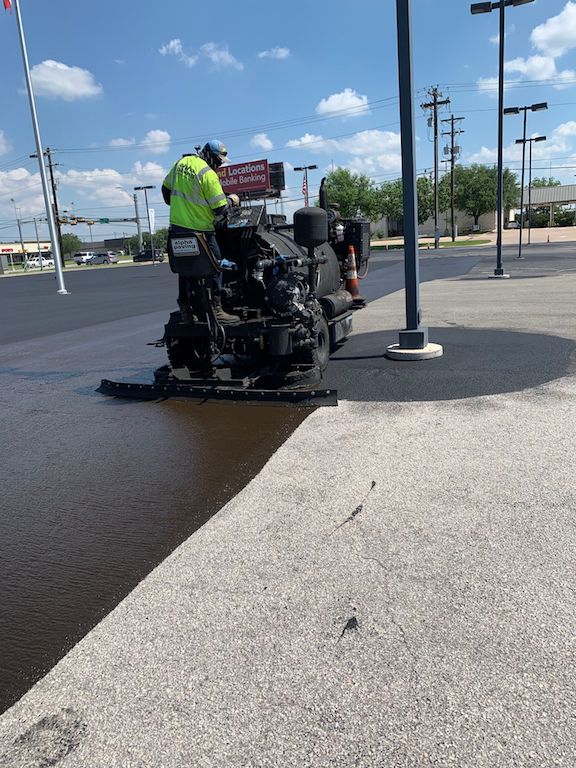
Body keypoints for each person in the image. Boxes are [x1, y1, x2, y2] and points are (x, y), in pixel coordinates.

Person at [162, 140, 240, 324]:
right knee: (217, 265)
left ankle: (187, 311)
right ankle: (217, 309)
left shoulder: (179, 164)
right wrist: (232, 200)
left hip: (177, 232)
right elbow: (220, 208)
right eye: (219, 161)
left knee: (185, 270)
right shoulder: (208, 174)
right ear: (210, 156)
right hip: (201, 232)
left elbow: (166, 194)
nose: (220, 165)